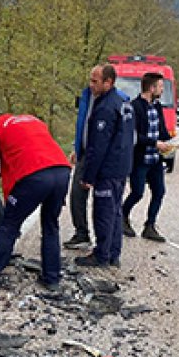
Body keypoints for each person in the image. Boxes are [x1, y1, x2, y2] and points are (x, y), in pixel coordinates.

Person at [0, 114, 71, 294]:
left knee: (9, 225)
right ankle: (52, 279)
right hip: (61, 171)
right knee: (51, 225)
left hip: (33, 177)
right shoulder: (34, 120)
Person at [75, 64, 135, 268]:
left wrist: (88, 177)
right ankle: (113, 253)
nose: (91, 85)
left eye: (95, 81)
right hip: (121, 167)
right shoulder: (123, 103)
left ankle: (101, 255)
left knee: (103, 212)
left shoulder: (105, 108)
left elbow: (98, 147)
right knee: (116, 211)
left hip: (108, 170)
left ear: (108, 82)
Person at [122, 72, 171, 242]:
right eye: (160, 87)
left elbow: (162, 130)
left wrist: (171, 142)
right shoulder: (134, 107)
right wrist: (155, 143)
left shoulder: (157, 106)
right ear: (151, 88)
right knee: (137, 193)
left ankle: (150, 226)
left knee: (159, 192)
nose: (162, 90)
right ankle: (122, 215)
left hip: (156, 160)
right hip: (140, 159)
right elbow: (134, 136)